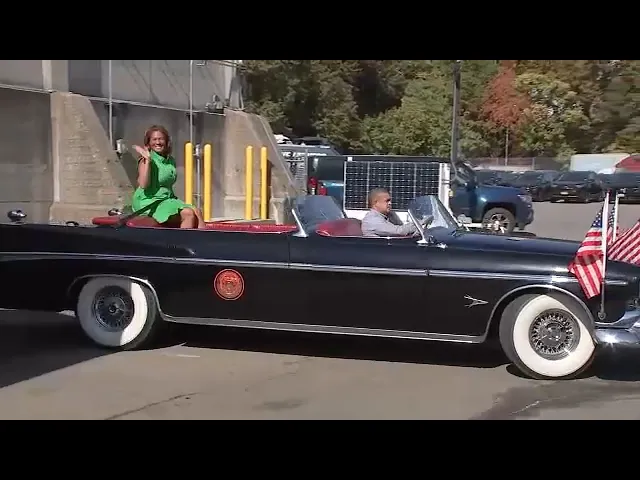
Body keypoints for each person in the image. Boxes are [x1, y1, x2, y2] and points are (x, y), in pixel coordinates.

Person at [132, 125, 205, 229]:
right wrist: (147, 160)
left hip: (166, 199)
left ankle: (205, 238)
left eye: (161, 139)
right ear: (148, 143)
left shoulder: (170, 160)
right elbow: (143, 184)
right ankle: (182, 240)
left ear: (166, 142)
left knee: (198, 212)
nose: (158, 142)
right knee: (188, 214)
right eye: (154, 139)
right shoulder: (145, 160)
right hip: (150, 201)